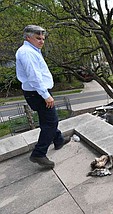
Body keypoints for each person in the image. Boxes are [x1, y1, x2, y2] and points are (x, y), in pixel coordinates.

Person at [15, 25, 70, 169]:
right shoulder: (27, 52)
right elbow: (34, 77)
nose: (41, 41)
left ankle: (58, 140)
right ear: (28, 37)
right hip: (38, 93)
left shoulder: (32, 50)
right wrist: (46, 95)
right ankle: (39, 153)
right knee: (51, 122)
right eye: (38, 38)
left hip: (37, 92)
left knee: (47, 119)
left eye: (43, 39)